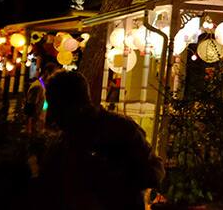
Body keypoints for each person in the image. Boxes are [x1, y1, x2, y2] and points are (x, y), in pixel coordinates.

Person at [38, 71, 164, 210]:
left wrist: (113, 176)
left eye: (55, 107)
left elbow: (154, 171)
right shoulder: (61, 142)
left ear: (74, 105)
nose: (52, 115)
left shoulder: (119, 131)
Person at [24, 61, 59, 134]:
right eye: (53, 74)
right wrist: (29, 131)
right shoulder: (37, 87)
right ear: (46, 72)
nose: (53, 78)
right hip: (34, 129)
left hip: (39, 128)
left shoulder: (43, 87)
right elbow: (29, 109)